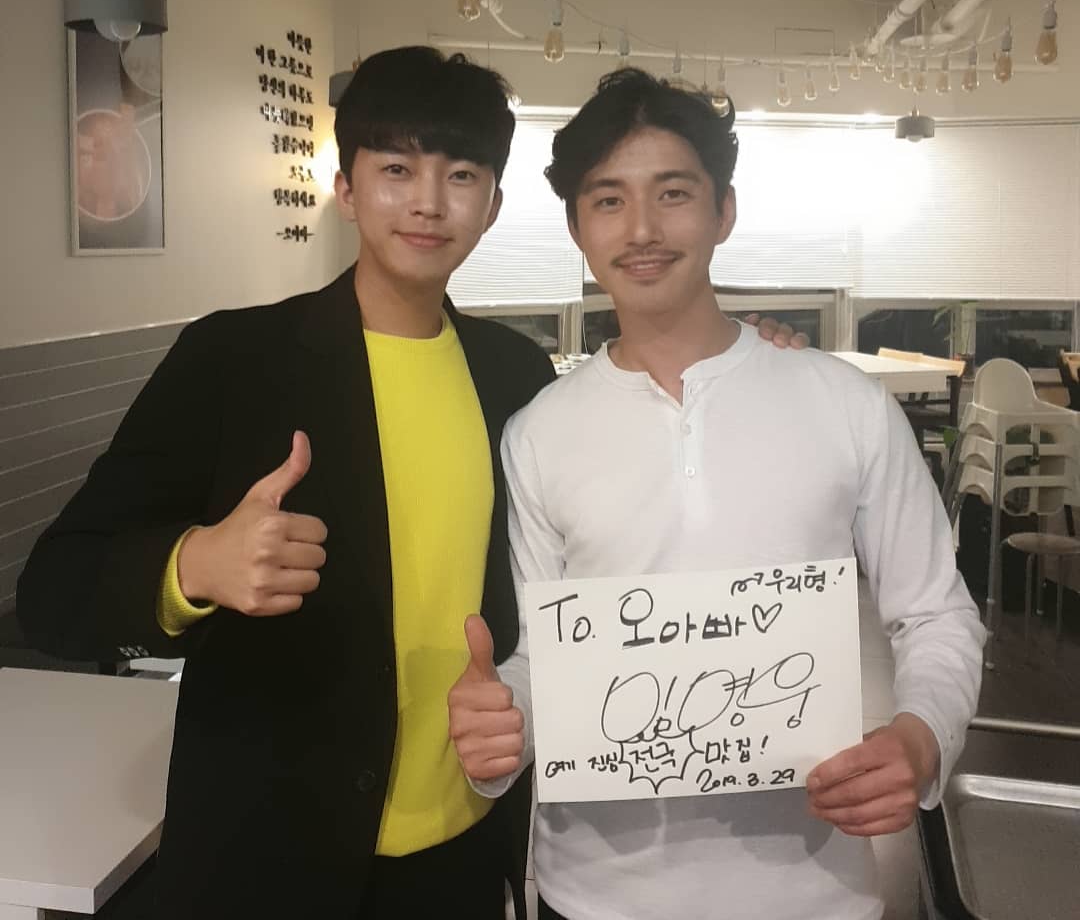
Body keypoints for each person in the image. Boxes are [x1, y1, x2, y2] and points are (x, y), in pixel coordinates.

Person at [17, 47, 802, 920]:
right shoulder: (234, 359)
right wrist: (193, 565)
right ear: (346, 188)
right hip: (266, 859)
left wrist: (756, 359)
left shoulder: (515, 376)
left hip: (460, 859)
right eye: (396, 168)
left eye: (461, 174)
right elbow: (53, 590)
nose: (429, 201)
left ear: (492, 205)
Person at [449, 69, 985, 920]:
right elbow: (543, 656)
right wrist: (500, 724)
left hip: (815, 893)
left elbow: (935, 613)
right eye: (609, 200)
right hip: (591, 895)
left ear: (723, 211)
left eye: (673, 193)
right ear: (577, 228)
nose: (642, 229)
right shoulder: (539, 432)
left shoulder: (845, 404)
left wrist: (921, 735)